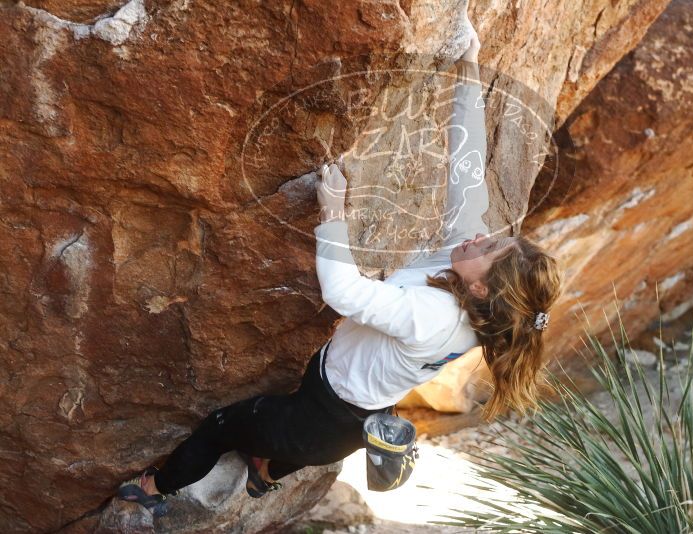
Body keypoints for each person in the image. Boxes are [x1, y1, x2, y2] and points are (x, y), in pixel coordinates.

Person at [117, 25, 562, 515]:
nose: (480, 235)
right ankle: (266, 472)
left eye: (490, 246)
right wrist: (470, 65)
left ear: (479, 286)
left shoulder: (436, 314)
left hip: (322, 422)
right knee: (285, 437)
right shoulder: (472, 285)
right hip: (350, 413)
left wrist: (334, 214)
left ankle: (155, 488)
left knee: (222, 427)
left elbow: (344, 292)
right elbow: (468, 163)